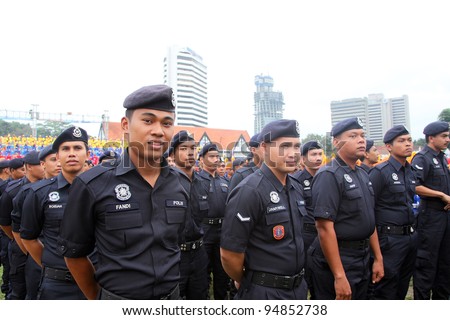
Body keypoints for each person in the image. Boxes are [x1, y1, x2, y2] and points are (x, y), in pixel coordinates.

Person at [58, 84, 188, 300]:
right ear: (126, 125)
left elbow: (175, 242)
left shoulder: (181, 183)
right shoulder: (93, 184)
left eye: (167, 123)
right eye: (148, 121)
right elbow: (74, 255)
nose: (158, 130)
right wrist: (99, 298)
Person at [221, 119, 308, 299]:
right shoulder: (249, 190)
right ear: (264, 147)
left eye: (296, 146)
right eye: (284, 146)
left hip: (297, 288)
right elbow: (229, 254)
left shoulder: (295, 187)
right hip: (264, 292)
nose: (293, 153)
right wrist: (247, 280)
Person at [308, 117, 384, 300]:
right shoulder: (329, 175)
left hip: (362, 255)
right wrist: (339, 275)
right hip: (339, 257)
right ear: (336, 142)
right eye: (353, 136)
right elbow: (324, 228)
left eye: (362, 136)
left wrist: (378, 258)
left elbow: (368, 219)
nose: (361, 140)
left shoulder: (362, 174)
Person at [20, 128, 91, 299]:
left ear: (88, 154)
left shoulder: (102, 189)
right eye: (65, 149)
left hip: (98, 278)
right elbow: (29, 238)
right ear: (58, 157)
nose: (72, 154)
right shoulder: (39, 193)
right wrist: (52, 262)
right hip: (59, 285)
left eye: (77, 148)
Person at [368, 125, 417, 299]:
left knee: (402, 286)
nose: (408, 144)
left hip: (409, 237)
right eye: (401, 141)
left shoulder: (410, 171)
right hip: (388, 240)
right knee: (385, 289)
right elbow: (369, 209)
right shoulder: (380, 172)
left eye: (409, 140)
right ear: (389, 147)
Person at [10, 144, 60, 300]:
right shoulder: (30, 192)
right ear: (43, 164)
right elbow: (17, 230)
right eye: (53, 159)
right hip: (41, 258)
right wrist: (39, 258)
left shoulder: (82, 188)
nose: (58, 163)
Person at [411, 120, 450, 299]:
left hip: (444, 216)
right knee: (426, 267)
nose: (447, 139)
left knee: (445, 266)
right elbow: (415, 186)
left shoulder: (441, 157)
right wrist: (440, 195)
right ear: (431, 138)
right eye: (444, 136)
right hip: (430, 218)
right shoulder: (422, 157)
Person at [168, 130, 209, 299]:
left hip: (199, 252)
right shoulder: (165, 183)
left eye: (193, 148)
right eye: (184, 148)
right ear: (172, 154)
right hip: (175, 255)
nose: (190, 152)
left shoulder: (202, 183)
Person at [0, 152, 44, 300]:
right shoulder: (13, 190)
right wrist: (20, 241)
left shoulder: (51, 187)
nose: (44, 166)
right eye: (41, 163)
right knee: (18, 289)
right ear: (29, 167)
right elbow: (5, 222)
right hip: (20, 248)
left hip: (43, 246)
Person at [197, 143, 230, 299]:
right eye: (211, 156)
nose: (216, 160)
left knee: (222, 271)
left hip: (222, 231)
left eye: (217, 156)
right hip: (204, 231)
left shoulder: (224, 181)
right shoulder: (195, 181)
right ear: (202, 159)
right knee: (202, 271)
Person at [292, 140, 324, 299]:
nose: (318, 158)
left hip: (325, 235)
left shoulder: (327, 177)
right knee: (304, 280)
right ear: (303, 159)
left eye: (320, 154)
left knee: (322, 281)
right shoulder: (296, 180)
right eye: (313, 154)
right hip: (306, 235)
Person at [0, 158, 25, 298]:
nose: (24, 172)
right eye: (22, 170)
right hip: (9, 234)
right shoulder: (9, 189)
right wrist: (13, 237)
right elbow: (4, 221)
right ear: (9, 170)